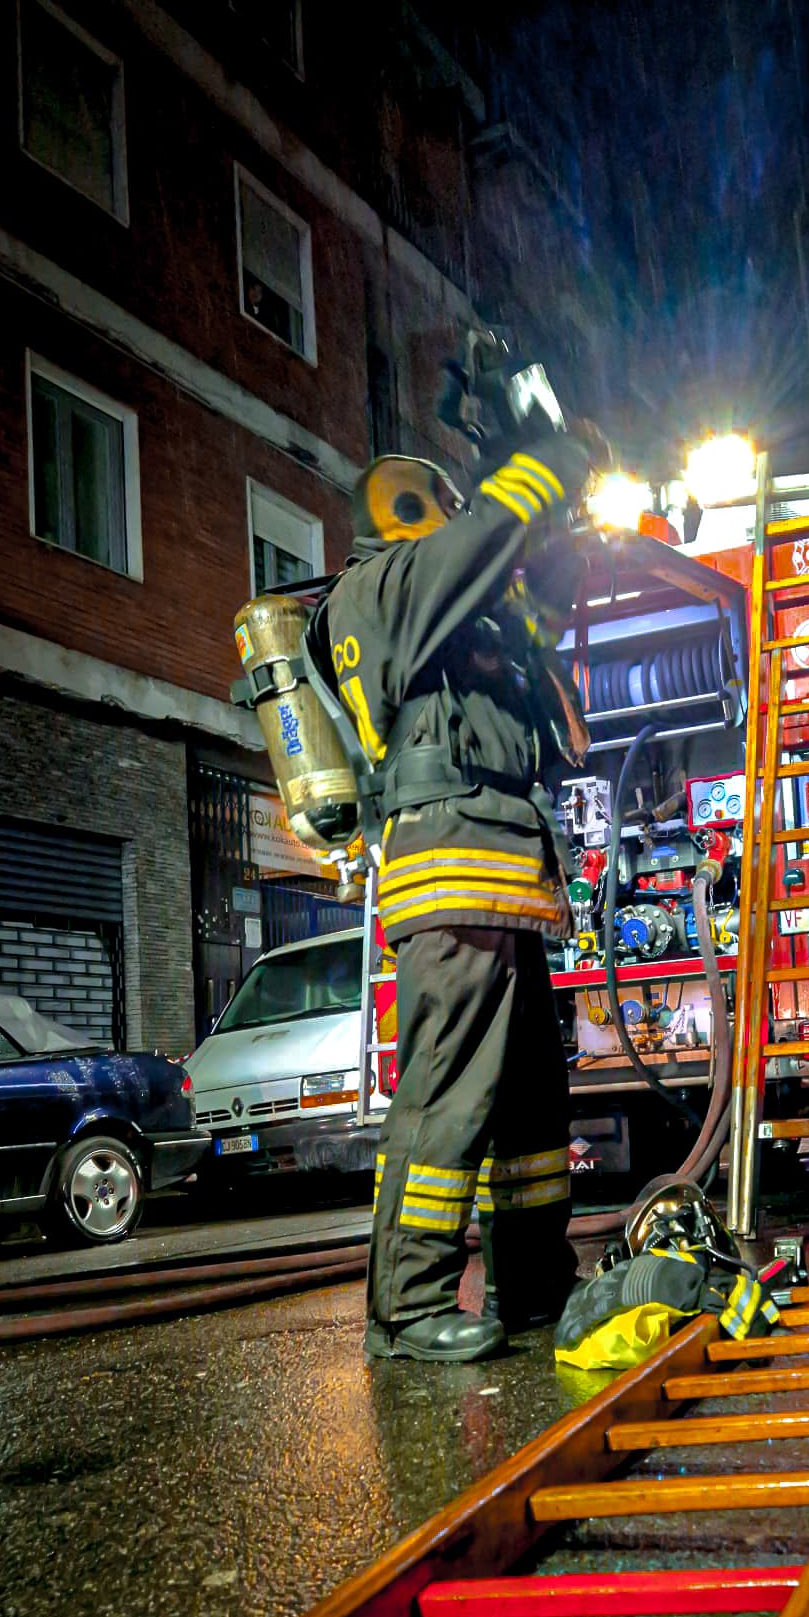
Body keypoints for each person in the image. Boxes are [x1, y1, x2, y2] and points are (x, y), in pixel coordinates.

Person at [322, 432, 597, 1359]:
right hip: (450, 868)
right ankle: (406, 1306)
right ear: (411, 508)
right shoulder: (381, 588)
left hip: (504, 875)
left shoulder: (459, 611)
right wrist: (540, 472)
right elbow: (471, 547)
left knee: (527, 1107)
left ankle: (533, 1283)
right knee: (447, 1096)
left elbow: (560, 731)